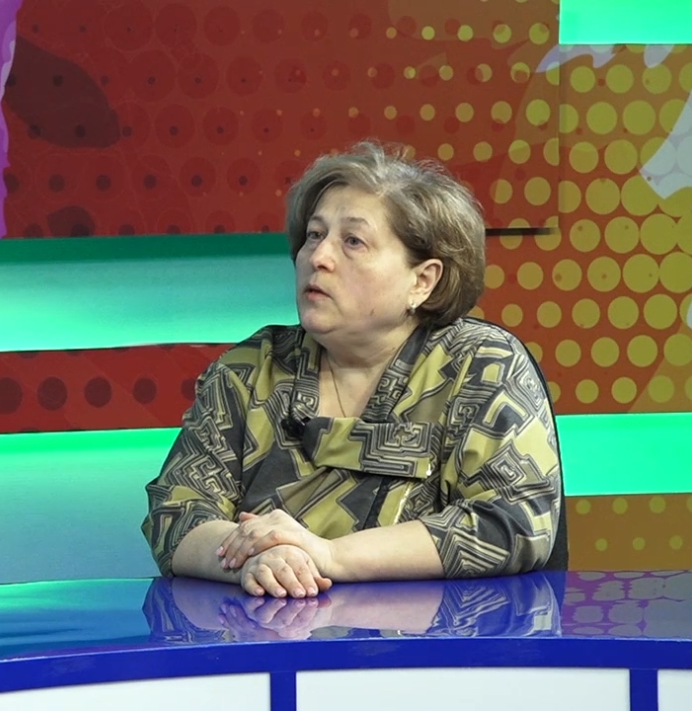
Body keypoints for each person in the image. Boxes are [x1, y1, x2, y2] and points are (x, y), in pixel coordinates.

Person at [141, 141, 565, 598]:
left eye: (353, 241)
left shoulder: (480, 365)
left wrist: (330, 556)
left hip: (437, 637)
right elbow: (175, 513)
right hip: (269, 631)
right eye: (314, 235)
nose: (318, 257)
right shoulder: (249, 369)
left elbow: (513, 522)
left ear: (422, 281)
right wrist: (260, 560)